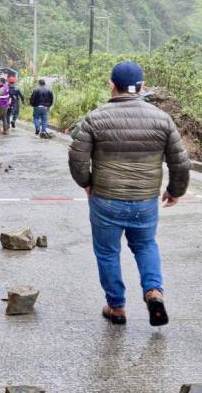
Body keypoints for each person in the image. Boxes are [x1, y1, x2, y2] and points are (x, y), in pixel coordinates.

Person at [68, 61, 191, 327]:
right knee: (145, 245)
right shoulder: (162, 119)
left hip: (105, 199)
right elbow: (180, 162)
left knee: (108, 253)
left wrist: (86, 183)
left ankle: (116, 308)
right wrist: (175, 190)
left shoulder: (95, 118)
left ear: (112, 85)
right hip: (145, 200)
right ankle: (154, 291)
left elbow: (77, 158)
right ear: (142, 87)